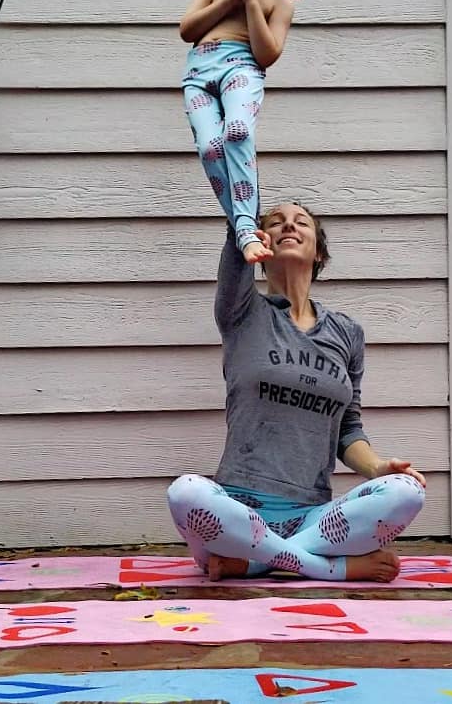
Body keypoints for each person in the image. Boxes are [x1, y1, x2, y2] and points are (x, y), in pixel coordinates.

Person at [167, 202, 427, 582]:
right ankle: (327, 568)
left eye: (301, 222)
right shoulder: (242, 312)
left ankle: (257, 563)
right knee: (186, 494)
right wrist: (240, 218)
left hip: (313, 517)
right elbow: (237, 226)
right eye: (276, 222)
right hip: (236, 512)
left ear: (318, 251)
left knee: (406, 492)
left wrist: (377, 468)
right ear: (261, 246)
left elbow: (347, 427)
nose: (288, 224)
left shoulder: (346, 333)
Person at [180, 0, 294, 264]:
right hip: (199, 71)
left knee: (238, 131)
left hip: (241, 68)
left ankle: (246, 228)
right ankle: (246, 230)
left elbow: (266, 53)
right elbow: (188, 29)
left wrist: (250, 2)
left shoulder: (279, 1)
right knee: (211, 148)